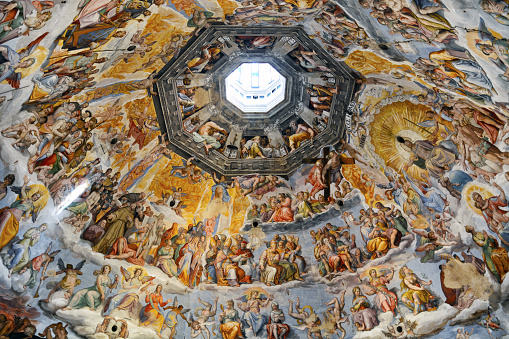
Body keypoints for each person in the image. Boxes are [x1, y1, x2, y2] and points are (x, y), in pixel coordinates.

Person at [0, 175, 43, 250]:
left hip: (16, 219)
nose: (36, 197)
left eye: (38, 197)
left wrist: (27, 218)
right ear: (34, 195)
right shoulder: (25, 198)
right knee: (7, 215)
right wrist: (25, 183)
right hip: (11, 213)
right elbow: (23, 190)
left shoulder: (31, 207)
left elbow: (26, 214)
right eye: (36, 195)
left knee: (13, 232)